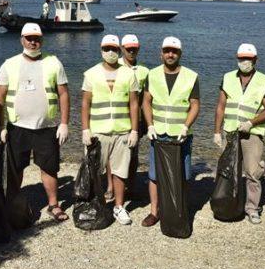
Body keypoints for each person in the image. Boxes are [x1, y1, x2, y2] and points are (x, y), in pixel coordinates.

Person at [0, 23, 70, 222]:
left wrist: (64, 123)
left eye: (36, 38)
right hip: (17, 128)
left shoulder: (54, 62)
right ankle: (12, 202)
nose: (33, 41)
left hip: (46, 128)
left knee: (49, 168)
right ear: (22, 40)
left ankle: (53, 205)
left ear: (42, 40)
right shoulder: (9, 64)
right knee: (16, 168)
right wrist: (0, 126)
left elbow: (63, 94)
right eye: (29, 38)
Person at [214, 43, 265, 224]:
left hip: (252, 134)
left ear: (255, 60)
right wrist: (217, 131)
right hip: (230, 132)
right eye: (241, 58)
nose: (244, 62)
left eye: (248, 59)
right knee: (229, 169)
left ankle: (252, 208)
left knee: (252, 172)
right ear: (237, 58)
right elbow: (221, 106)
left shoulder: (264, 80)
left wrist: (251, 122)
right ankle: (230, 202)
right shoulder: (227, 77)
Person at [141, 36, 200, 227]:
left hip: (181, 135)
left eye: (174, 51)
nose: (170, 54)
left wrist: (186, 126)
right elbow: (146, 102)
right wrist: (149, 125)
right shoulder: (152, 74)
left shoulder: (191, 76)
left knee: (183, 174)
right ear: (161, 53)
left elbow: (195, 105)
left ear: (180, 54)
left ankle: (179, 208)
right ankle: (154, 211)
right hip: (158, 133)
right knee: (154, 174)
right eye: (167, 51)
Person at [81, 34, 139, 225]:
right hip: (98, 132)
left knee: (121, 172)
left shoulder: (129, 74)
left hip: (122, 131)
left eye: (114, 49)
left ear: (119, 50)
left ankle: (119, 207)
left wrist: (134, 130)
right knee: (95, 171)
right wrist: (85, 129)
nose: (111, 53)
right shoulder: (91, 74)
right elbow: (85, 103)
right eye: (107, 49)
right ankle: (97, 204)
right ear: (101, 50)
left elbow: (133, 103)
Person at [116, 34, 150, 198]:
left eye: (134, 49)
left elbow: (146, 98)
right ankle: (111, 187)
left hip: (137, 119)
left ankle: (131, 184)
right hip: (118, 117)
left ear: (138, 49)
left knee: (133, 153)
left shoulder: (144, 71)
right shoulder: (114, 66)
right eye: (128, 48)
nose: (131, 51)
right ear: (122, 48)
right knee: (115, 155)